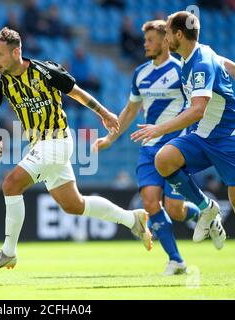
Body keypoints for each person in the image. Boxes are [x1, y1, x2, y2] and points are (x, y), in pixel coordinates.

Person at [0, 27, 152, 272]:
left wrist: (104, 113)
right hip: (38, 144)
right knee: (73, 205)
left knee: (11, 184)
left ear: (16, 51)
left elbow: (77, 93)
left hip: (58, 141)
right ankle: (131, 219)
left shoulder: (45, 71)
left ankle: (8, 251)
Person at [131, 11, 235, 286]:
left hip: (231, 140)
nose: (165, 37)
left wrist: (159, 129)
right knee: (164, 159)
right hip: (202, 137)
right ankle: (206, 208)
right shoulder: (196, 55)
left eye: (168, 33)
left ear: (178, 36)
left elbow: (197, 110)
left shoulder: (202, 62)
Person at [92, 20, 204, 276]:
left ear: (165, 41)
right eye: (145, 40)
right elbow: (131, 110)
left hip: (177, 147)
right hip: (149, 148)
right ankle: (176, 260)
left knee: (175, 210)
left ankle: (205, 214)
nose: (145, 44)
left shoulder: (181, 70)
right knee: (150, 203)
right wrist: (110, 138)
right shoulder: (140, 73)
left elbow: (197, 107)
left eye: (150, 40)